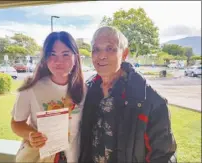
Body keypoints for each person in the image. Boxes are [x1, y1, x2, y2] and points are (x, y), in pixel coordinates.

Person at [79, 26, 177, 163]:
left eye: (110, 48)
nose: (101, 56)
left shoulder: (149, 100)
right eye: (96, 49)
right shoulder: (86, 91)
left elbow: (164, 155)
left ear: (124, 54)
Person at [11, 31, 85, 163]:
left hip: (74, 157)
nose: (58, 61)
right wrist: (30, 135)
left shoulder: (84, 90)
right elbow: (16, 123)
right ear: (45, 58)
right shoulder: (31, 88)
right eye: (52, 54)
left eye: (65, 54)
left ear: (76, 58)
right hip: (42, 158)